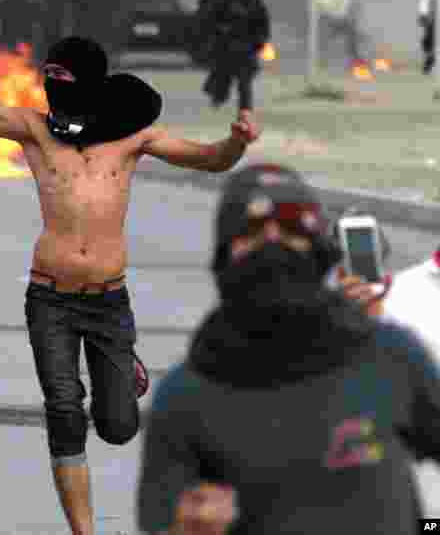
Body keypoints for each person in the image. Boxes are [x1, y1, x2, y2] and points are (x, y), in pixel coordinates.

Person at [0, 0, 261, 535]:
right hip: (49, 298)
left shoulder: (134, 139)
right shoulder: (35, 131)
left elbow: (209, 160)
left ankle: (123, 370)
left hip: (109, 300)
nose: (57, 90)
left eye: (68, 80)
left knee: (116, 426)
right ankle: (84, 531)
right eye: (52, 79)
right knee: (64, 410)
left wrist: (235, 141)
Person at [136, 163, 440, 535]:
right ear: (223, 256)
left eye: (292, 229)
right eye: (252, 232)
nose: (273, 241)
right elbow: (159, 520)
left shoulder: (391, 357)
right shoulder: (183, 398)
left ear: (318, 252)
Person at [197, 0, 270, 111]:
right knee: (222, 78)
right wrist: (218, 34)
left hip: (247, 50)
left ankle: (245, 113)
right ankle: (217, 98)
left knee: (245, 84)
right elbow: (210, 20)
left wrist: (259, 43)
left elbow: (262, 24)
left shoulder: (254, 1)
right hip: (226, 48)